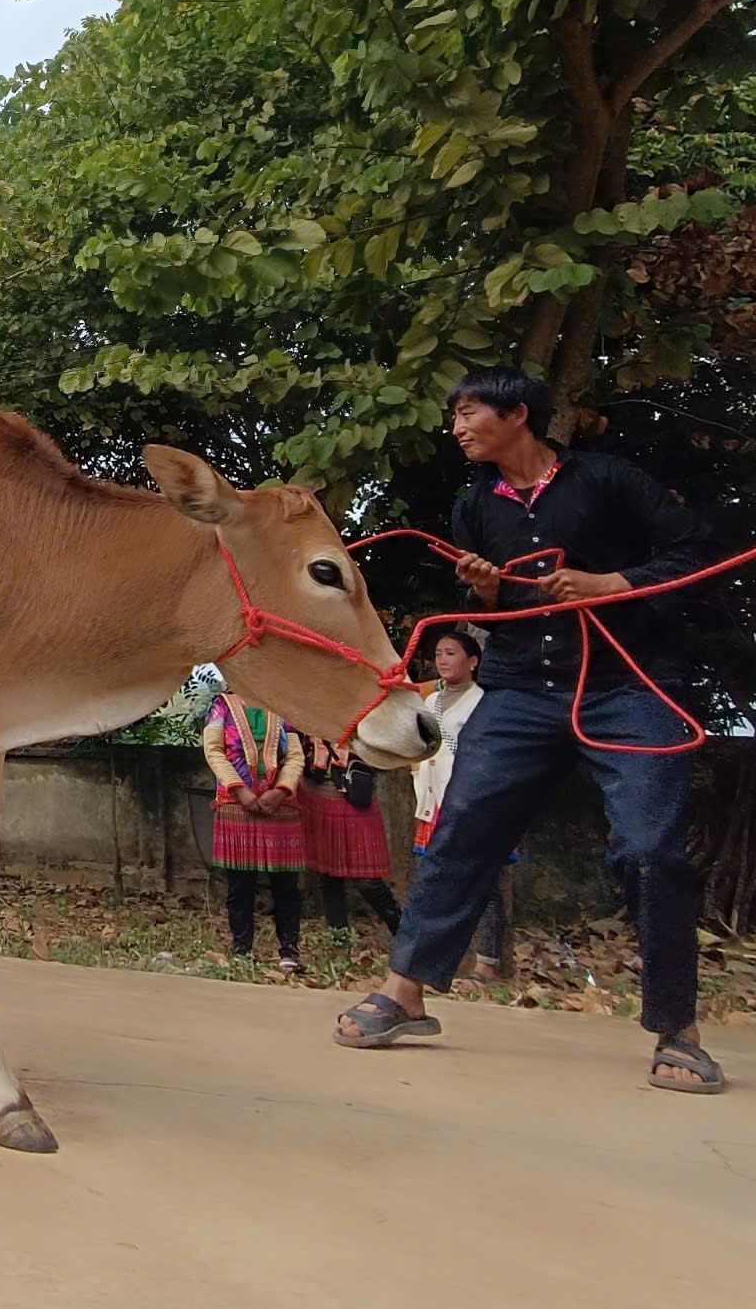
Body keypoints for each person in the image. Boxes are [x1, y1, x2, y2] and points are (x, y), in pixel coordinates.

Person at [334, 365, 728, 1091]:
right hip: (519, 690)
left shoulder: (609, 480)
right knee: (461, 827)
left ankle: (680, 1029)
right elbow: (494, 599)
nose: (456, 427)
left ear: (519, 414)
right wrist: (487, 591)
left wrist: (612, 584)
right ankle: (406, 993)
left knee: (651, 851)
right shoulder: (474, 507)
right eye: (454, 416)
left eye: (468, 412)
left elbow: (697, 555)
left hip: (627, 685)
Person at [413, 627, 508, 983]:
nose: (442, 660)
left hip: (473, 799)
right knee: (433, 878)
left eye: (451, 653)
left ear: (473, 661)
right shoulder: (429, 703)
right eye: (439, 653)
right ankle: (430, 960)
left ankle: (487, 962)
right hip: (432, 799)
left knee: (484, 882)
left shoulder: (485, 702)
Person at [204, 691, 310, 972]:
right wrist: (238, 789)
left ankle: (289, 952)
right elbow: (214, 750)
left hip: (280, 806)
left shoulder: (282, 703)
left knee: (286, 885)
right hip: (236, 805)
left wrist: (281, 790)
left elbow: (296, 755)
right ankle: (242, 951)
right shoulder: (222, 705)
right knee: (240, 884)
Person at [301, 736, 400, 939]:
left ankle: (405, 936)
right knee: (328, 876)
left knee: (368, 880)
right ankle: (339, 943)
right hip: (318, 791)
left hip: (355, 791)